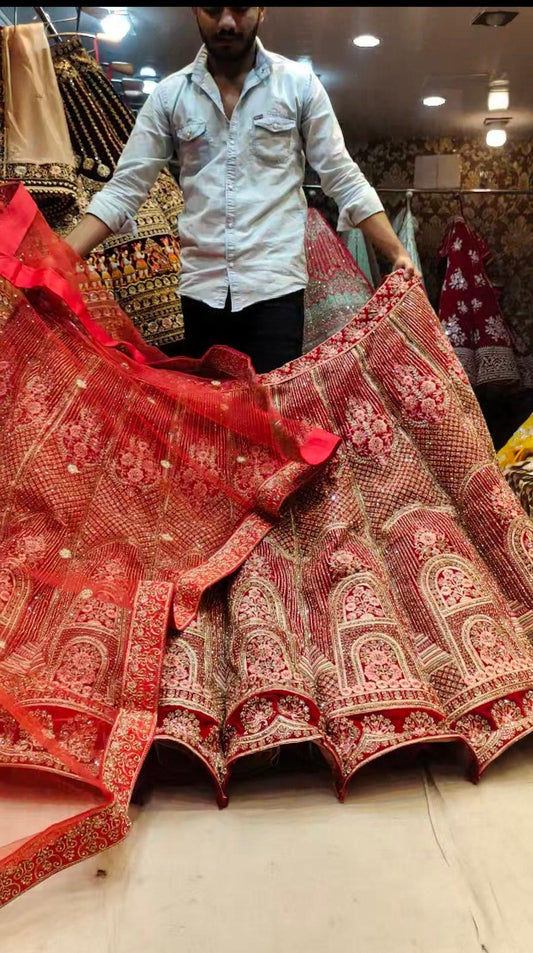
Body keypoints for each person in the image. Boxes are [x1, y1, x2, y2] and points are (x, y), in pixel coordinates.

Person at [66, 6, 420, 373]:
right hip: (201, 293)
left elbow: (342, 175)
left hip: (275, 292)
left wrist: (396, 252)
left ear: (262, 10)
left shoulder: (298, 85)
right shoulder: (170, 96)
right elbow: (125, 188)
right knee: (212, 420)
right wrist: (59, 259)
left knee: (267, 419)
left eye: (240, 8)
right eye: (213, 9)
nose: (227, 23)